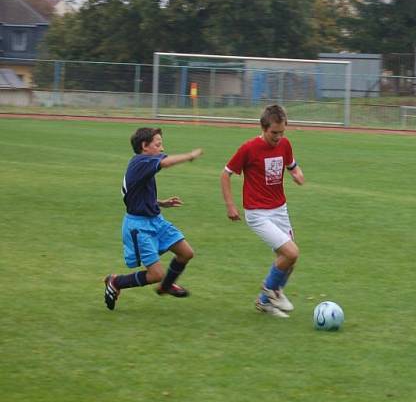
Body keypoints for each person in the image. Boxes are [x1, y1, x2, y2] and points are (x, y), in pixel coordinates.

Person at [104, 128, 203, 310]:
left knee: (186, 253)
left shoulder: (141, 164)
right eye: (158, 144)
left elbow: (132, 194)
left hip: (155, 220)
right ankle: (116, 282)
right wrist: (190, 155)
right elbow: (165, 163)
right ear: (144, 146)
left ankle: (165, 287)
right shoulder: (141, 161)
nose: (162, 148)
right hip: (139, 226)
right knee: (156, 274)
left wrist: (160, 203)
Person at [220, 104, 305, 318]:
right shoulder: (249, 148)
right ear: (263, 128)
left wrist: (297, 174)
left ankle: (265, 302)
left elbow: (292, 165)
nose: (278, 137)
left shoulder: (285, 144)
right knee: (291, 253)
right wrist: (230, 205)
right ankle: (271, 290)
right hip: (258, 213)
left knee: (289, 260)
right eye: (274, 133)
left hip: (280, 210)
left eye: (282, 132)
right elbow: (225, 174)